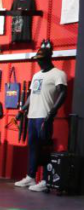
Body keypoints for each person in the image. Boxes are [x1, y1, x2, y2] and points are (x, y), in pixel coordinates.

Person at [14, 41, 68, 192]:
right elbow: (32, 95)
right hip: (32, 116)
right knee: (32, 147)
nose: (38, 62)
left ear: (48, 59)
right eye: (37, 60)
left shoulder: (58, 74)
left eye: (41, 60)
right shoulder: (36, 75)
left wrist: (53, 111)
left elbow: (63, 93)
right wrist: (22, 111)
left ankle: (45, 180)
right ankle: (31, 176)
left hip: (45, 116)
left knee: (44, 148)